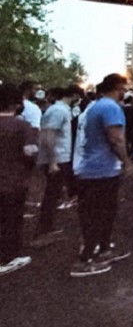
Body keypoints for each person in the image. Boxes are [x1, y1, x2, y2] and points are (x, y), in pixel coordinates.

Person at [72, 74, 132, 277]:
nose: (126, 91)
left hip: (96, 169)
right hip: (100, 171)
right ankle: (85, 260)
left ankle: (104, 250)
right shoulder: (110, 107)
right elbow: (116, 139)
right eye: (124, 87)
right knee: (95, 214)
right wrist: (127, 161)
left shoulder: (97, 106)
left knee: (105, 212)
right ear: (117, 87)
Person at [32, 85, 83, 248]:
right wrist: (53, 161)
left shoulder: (60, 110)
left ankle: (46, 229)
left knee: (53, 194)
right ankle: (42, 232)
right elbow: (49, 135)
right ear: (74, 95)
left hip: (59, 157)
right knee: (51, 195)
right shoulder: (59, 111)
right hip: (57, 159)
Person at [0, 84, 38, 276]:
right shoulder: (22, 126)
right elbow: (30, 152)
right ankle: (8, 257)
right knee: (12, 219)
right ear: (16, 104)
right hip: (14, 181)